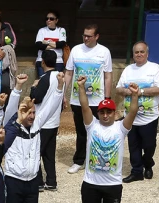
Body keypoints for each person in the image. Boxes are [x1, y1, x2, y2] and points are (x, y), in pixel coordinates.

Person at [77, 78, 140, 203]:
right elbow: (84, 106)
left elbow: (133, 111)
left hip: (112, 184)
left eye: (109, 112)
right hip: (91, 183)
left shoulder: (121, 128)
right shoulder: (92, 126)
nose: (105, 115)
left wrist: (135, 96)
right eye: (102, 112)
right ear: (99, 114)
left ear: (115, 113)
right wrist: (81, 87)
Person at [116, 42, 159, 183]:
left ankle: (148, 163)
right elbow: (118, 88)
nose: (139, 54)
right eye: (136, 52)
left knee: (149, 145)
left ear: (147, 53)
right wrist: (127, 92)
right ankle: (136, 171)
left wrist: (140, 91)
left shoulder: (155, 68)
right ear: (133, 54)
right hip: (130, 117)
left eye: (142, 52)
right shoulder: (128, 70)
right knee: (133, 145)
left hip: (149, 117)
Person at [66, 24, 111, 175]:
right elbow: (69, 73)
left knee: (98, 131)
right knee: (81, 131)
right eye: (84, 35)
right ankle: (79, 160)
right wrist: (62, 93)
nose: (86, 38)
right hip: (77, 98)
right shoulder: (76, 50)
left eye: (89, 36)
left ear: (97, 36)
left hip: (96, 100)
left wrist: (108, 98)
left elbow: (108, 76)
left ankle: (97, 159)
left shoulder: (104, 52)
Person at [31, 52, 65, 193]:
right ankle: (51, 181)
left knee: (36, 152)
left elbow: (36, 98)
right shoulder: (60, 77)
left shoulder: (44, 78)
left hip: (43, 121)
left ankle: (38, 182)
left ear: (43, 62)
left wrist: (33, 87)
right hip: (54, 121)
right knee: (49, 153)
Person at [34, 11, 68, 77]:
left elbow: (61, 44)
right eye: (47, 19)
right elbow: (39, 45)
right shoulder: (42, 30)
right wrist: (55, 45)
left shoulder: (61, 30)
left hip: (57, 61)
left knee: (57, 82)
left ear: (56, 20)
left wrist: (47, 42)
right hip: (42, 60)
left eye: (51, 19)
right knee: (42, 81)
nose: (48, 20)